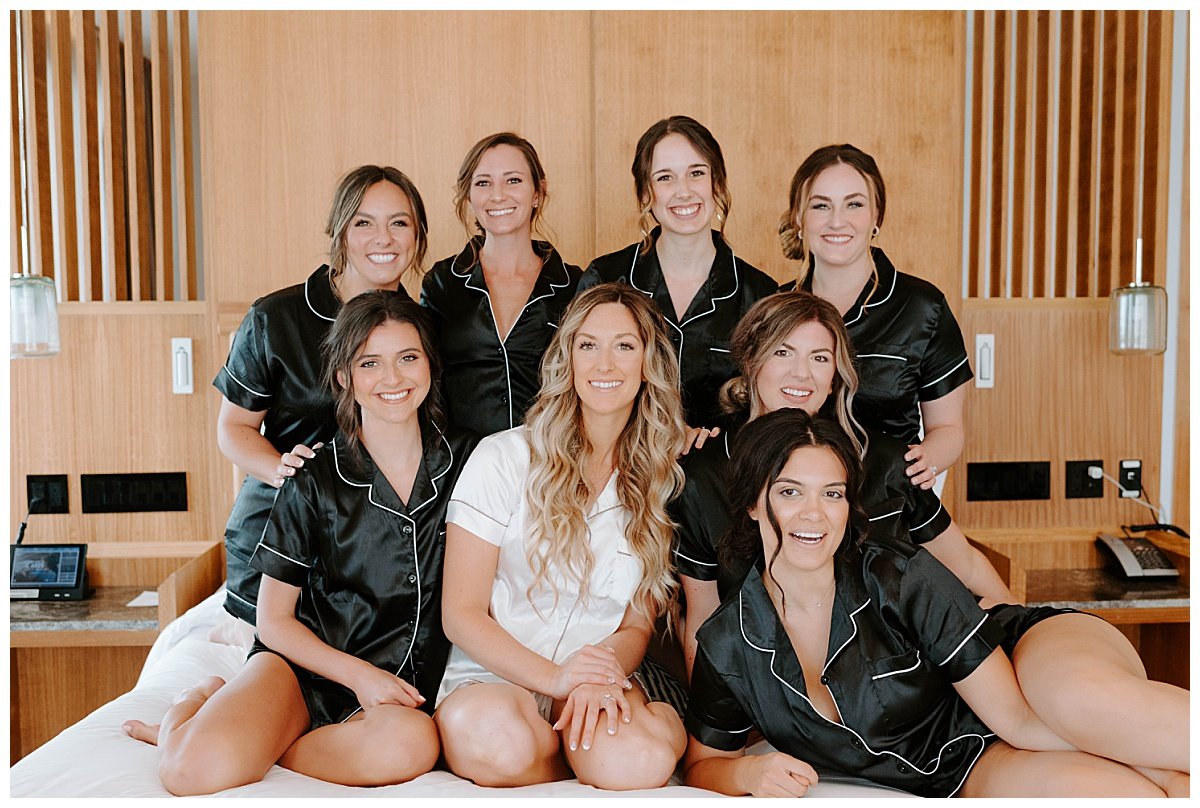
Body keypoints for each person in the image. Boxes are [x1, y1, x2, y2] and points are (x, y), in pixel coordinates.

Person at [683, 409, 1189, 797]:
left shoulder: (896, 575)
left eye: (832, 494)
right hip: (959, 762)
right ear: (753, 504)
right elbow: (703, 762)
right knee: (1117, 795)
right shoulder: (729, 641)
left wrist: (1148, 760)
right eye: (790, 491)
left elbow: (1015, 719)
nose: (814, 514)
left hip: (1025, 662)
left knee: (1085, 703)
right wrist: (749, 771)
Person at [123, 292, 479, 794]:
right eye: (369, 363)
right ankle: (194, 707)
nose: (393, 378)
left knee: (409, 746)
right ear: (343, 378)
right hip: (302, 670)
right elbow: (273, 621)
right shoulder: (311, 475)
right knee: (190, 772)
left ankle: (271, 745)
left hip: (401, 693)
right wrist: (359, 676)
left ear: (430, 364)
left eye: (408, 358)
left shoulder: (471, 462)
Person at [674, 290, 1011, 675]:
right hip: (768, 692)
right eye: (782, 353)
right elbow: (703, 616)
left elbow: (966, 567)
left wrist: (1019, 629)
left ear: (835, 376)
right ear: (750, 362)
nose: (801, 374)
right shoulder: (704, 473)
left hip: (898, 678)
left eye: (819, 358)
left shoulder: (887, 462)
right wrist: (708, 728)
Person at [433, 283, 688, 790]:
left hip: (594, 684)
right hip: (491, 680)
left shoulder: (661, 480)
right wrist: (555, 680)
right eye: (587, 345)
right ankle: (567, 756)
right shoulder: (504, 458)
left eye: (624, 345)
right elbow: (459, 615)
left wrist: (592, 677)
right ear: (567, 358)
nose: (604, 363)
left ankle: (648, 729)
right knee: (502, 748)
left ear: (647, 364)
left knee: (638, 765)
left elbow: (637, 626)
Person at [214, 165, 429, 625]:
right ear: (339, 231)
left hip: (371, 554)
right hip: (278, 537)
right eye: (363, 222)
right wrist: (282, 470)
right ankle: (203, 694)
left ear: (417, 234)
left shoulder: (425, 328)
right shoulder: (278, 316)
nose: (383, 238)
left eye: (399, 222)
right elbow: (234, 428)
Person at [780, 144, 970, 489]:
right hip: (795, 500)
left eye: (854, 204)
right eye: (821, 205)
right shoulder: (775, 308)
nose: (837, 221)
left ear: (876, 216)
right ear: (798, 217)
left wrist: (924, 462)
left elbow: (948, 429)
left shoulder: (923, 308)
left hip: (888, 495)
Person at [579, 115, 777, 428]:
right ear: (645, 193)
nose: (683, 191)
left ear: (717, 183)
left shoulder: (761, 294)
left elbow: (770, 404)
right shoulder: (604, 277)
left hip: (723, 467)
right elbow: (574, 381)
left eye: (696, 173)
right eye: (665, 178)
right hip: (623, 461)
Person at [420, 132, 582, 437]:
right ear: (469, 196)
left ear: (537, 193)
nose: (498, 195)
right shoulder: (442, 283)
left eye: (513, 180)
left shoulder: (574, 285)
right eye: (483, 183)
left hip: (551, 462)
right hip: (463, 464)